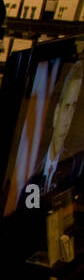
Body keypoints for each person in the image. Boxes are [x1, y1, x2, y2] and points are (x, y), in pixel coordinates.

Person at [27, 61, 84, 198]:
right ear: (56, 112)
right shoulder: (31, 167)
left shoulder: (76, 166)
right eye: (66, 107)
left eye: (74, 108)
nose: (68, 119)